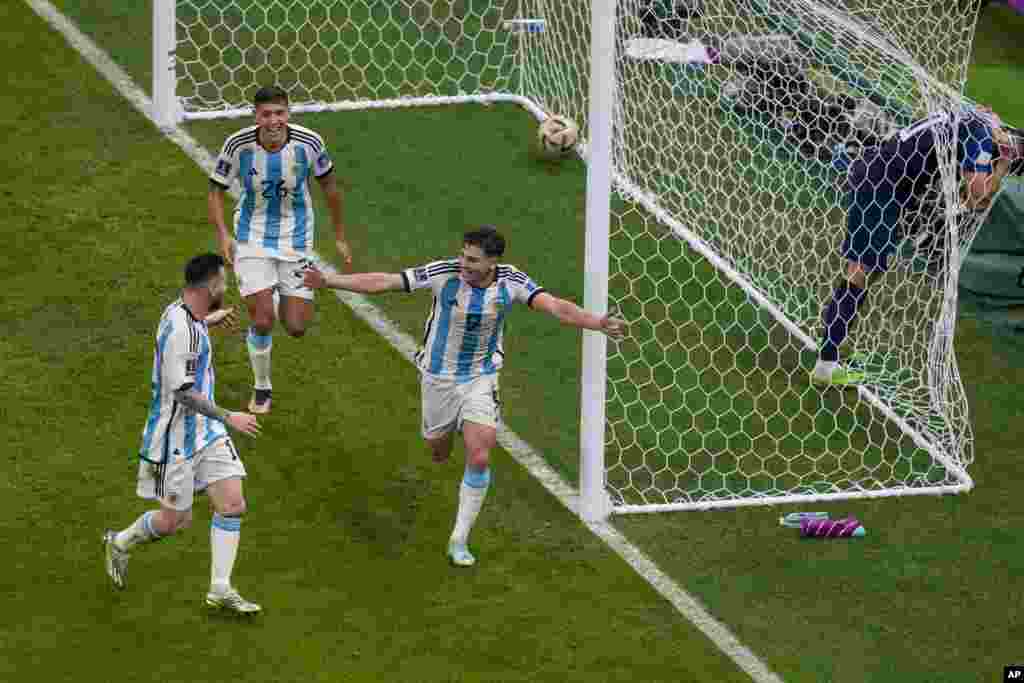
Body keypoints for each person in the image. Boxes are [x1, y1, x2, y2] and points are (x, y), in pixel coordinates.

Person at [302, 226, 627, 566]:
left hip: (480, 379)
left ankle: (459, 539)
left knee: (480, 455)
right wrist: (330, 281)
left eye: (472, 259)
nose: (464, 263)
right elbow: (386, 281)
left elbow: (555, 306)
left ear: (492, 262)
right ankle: (449, 431)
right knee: (438, 450)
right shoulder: (444, 274)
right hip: (438, 379)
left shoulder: (510, 281)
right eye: (462, 255)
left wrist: (596, 322)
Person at [811, 107, 1024, 385]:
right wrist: (1003, 166)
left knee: (870, 269)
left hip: (887, 180)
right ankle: (825, 366)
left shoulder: (981, 120)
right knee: (861, 270)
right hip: (882, 186)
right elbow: (977, 197)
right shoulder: (982, 140)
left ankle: (832, 345)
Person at [103, 253, 263, 614]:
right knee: (176, 520)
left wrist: (208, 320)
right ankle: (120, 542)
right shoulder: (180, 330)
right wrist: (230, 416)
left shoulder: (186, 314)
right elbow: (183, 393)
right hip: (175, 439)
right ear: (208, 286)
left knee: (233, 503)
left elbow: (191, 331)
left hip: (206, 431)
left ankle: (220, 589)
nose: (226, 287)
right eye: (222, 282)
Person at [208, 85, 352, 415]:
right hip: (251, 236)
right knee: (262, 321)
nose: (273, 120)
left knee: (297, 327)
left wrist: (340, 234)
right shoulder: (237, 145)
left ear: (288, 114)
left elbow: (329, 186)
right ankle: (262, 387)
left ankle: (269, 293)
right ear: (256, 116)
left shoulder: (310, 143)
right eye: (266, 114)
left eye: (279, 113)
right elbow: (215, 190)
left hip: (296, 237)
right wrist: (223, 235)